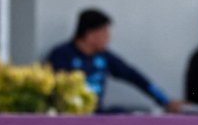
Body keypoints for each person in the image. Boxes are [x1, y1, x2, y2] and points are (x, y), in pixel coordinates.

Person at [46, 8, 181, 113]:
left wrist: (165, 101)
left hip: (97, 116)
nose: (108, 38)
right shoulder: (61, 55)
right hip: (69, 118)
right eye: (104, 33)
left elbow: (135, 77)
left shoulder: (104, 57)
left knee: (122, 113)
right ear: (90, 34)